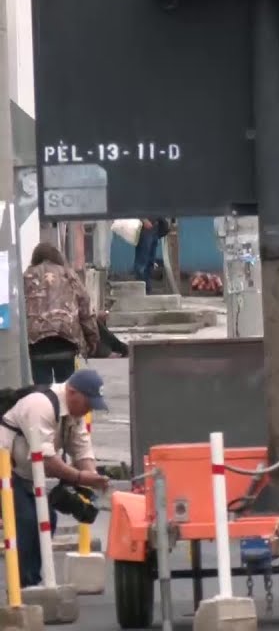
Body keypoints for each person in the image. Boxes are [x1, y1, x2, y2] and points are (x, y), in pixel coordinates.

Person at [0, 368, 111, 587]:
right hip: (6, 471)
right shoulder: (40, 405)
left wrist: (93, 480)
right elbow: (47, 461)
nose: (89, 409)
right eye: (88, 403)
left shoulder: (73, 413)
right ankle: (25, 586)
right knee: (27, 520)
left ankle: (30, 581)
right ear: (72, 392)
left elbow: (82, 451)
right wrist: (81, 478)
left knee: (48, 519)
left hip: (25, 474)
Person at [23, 243, 99, 384]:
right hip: (65, 338)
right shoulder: (69, 275)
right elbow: (85, 309)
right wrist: (92, 339)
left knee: (42, 391)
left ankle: (44, 403)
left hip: (37, 343)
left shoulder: (26, 277)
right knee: (66, 390)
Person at [133, 218, 170, 294]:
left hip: (155, 226)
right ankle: (139, 290)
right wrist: (143, 220)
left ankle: (147, 290)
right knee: (142, 262)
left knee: (150, 262)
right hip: (145, 227)